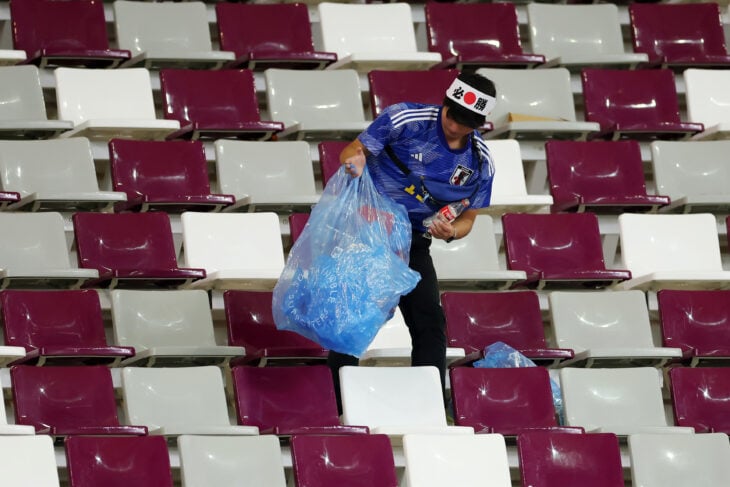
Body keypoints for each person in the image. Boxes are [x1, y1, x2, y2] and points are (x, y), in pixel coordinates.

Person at [328, 72, 497, 410]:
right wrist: (353, 163)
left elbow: (468, 220)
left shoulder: (480, 162)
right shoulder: (404, 119)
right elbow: (353, 150)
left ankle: (430, 405)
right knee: (356, 319)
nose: (455, 126)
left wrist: (451, 232)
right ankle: (340, 405)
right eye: (453, 116)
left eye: (467, 123)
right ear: (445, 103)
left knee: (430, 324)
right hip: (369, 231)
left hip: (414, 242)